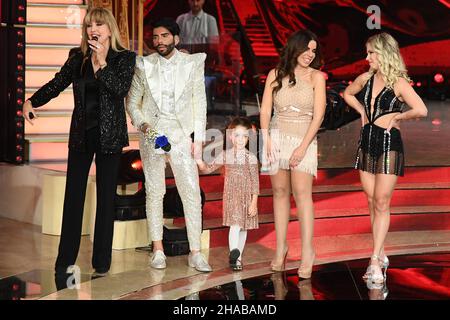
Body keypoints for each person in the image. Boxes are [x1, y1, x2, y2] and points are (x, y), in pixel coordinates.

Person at [22, 7, 136, 278]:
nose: (93, 29)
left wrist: (102, 62)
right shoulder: (78, 57)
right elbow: (57, 82)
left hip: (109, 136)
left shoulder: (125, 58)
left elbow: (120, 90)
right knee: (73, 198)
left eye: (98, 24)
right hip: (82, 135)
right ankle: (64, 261)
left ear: (109, 29)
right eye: (88, 26)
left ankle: (102, 263)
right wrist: (32, 100)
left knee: (106, 199)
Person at [126, 18, 211, 272]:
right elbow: (132, 103)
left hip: (181, 134)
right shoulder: (143, 64)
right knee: (154, 191)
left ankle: (195, 252)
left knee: (191, 192)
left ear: (176, 38)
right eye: (155, 37)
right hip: (154, 133)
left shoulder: (192, 63)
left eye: (164, 36)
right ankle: (158, 249)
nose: (159, 41)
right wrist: (145, 128)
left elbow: (200, 101)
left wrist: (199, 139)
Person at [343, 32, 427, 284]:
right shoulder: (365, 78)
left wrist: (398, 117)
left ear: (384, 53)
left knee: (381, 201)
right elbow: (348, 94)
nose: (367, 57)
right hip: (366, 141)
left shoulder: (399, 83)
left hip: (390, 143)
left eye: (371, 53)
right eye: (367, 52)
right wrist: (361, 112)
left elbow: (421, 109)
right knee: (371, 200)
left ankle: (375, 260)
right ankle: (380, 250)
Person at [259, 30, 326, 279]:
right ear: (295, 48)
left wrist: (302, 147)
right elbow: (265, 109)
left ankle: (308, 251)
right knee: (279, 193)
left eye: (313, 50)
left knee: (302, 194)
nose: (310, 54)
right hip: (276, 136)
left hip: (303, 138)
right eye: (307, 49)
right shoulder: (275, 75)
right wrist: (265, 137)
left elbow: (318, 116)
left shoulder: (317, 77)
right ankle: (281, 248)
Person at [198, 117, 259, 271]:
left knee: (243, 228)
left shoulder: (250, 158)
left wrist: (254, 202)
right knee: (235, 225)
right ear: (231, 136)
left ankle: (238, 257)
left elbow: (255, 182)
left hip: (247, 197)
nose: (240, 139)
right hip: (232, 196)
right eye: (237, 135)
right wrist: (200, 162)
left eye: (244, 136)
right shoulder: (225, 155)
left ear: (248, 138)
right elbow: (208, 168)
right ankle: (234, 254)